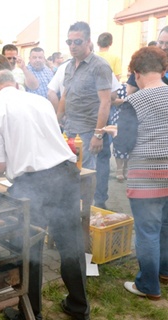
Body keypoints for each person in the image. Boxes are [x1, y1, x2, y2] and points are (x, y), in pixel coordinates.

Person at [0, 69, 90, 320]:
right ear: (16, 84)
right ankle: (79, 308)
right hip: (65, 175)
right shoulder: (40, 100)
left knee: (30, 251)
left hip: (33, 185)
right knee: (71, 244)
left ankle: (31, 318)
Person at [103, 46, 168, 301]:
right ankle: (164, 271)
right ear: (163, 70)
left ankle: (149, 285)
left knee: (148, 231)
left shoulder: (134, 101)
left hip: (147, 176)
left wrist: (115, 134)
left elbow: (124, 145)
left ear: (136, 73)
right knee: (166, 227)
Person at [57, 21, 113, 209]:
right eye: (69, 42)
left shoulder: (100, 66)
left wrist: (99, 134)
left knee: (88, 175)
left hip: (89, 132)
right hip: (70, 129)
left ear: (88, 41)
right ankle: (75, 211)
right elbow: (65, 95)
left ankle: (89, 213)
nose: (72, 46)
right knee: (70, 173)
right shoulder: (69, 66)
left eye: (77, 41)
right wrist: (56, 122)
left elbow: (106, 101)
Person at [126, 26, 168, 95]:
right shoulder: (144, 61)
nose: (163, 47)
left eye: (167, 43)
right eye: (161, 42)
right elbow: (130, 92)